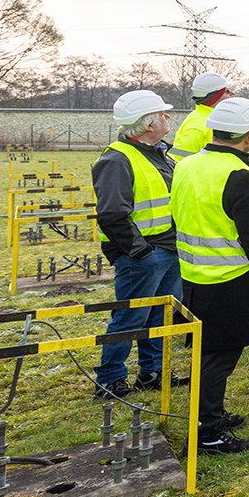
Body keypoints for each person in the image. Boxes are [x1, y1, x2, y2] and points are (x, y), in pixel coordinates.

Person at [170, 96, 249, 454]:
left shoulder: (186, 166)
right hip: (232, 278)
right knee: (220, 358)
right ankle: (207, 432)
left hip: (194, 276)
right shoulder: (241, 177)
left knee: (208, 354)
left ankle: (210, 414)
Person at [92, 90, 189, 399]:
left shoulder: (159, 154)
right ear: (148, 124)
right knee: (130, 317)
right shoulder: (117, 159)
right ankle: (110, 378)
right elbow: (111, 213)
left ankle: (153, 371)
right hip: (143, 254)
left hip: (168, 249)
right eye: (163, 114)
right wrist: (141, 252)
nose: (168, 118)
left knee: (159, 316)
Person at [169, 71, 232, 159]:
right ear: (215, 96)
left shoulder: (209, 119)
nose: (231, 94)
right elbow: (179, 160)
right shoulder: (198, 126)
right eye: (227, 91)